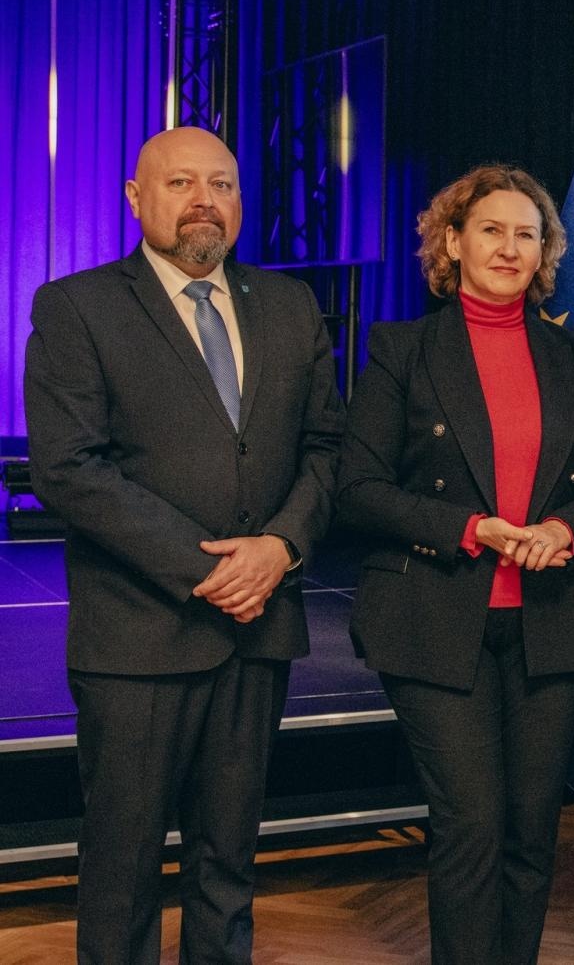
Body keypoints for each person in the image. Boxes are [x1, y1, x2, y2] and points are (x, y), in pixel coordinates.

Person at [22, 126, 344, 964]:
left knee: (228, 865)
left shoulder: (290, 306)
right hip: (139, 638)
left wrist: (279, 548)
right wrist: (209, 568)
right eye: (181, 183)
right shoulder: (76, 307)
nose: (204, 199)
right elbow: (67, 468)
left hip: (258, 629)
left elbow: (327, 450)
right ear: (137, 199)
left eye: (222, 183)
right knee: (123, 871)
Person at [336, 164, 574, 964]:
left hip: (552, 625)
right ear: (452, 241)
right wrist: (472, 527)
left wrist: (565, 532)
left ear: (546, 254)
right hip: (435, 622)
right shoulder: (403, 350)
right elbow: (357, 490)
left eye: (527, 235)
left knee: (532, 829)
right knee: (470, 825)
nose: (510, 248)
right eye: (492, 230)